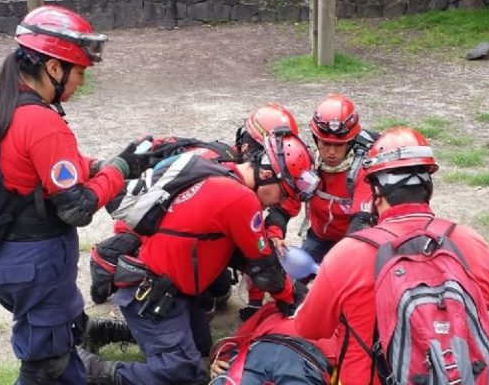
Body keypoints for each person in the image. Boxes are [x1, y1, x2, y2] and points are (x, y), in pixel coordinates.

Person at [0, 5, 149, 385]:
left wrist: (96, 165)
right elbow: (76, 207)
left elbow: (36, 163)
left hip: (10, 258)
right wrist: (118, 171)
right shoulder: (42, 121)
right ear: (54, 68)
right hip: (36, 265)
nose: (81, 81)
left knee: (63, 355)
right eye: (80, 71)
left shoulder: (5, 104)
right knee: (44, 367)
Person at [78, 130, 318, 385]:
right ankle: (88, 368)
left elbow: (248, 256)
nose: (278, 203)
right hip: (150, 293)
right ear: (267, 175)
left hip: (169, 288)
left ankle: (107, 331)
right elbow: (265, 268)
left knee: (201, 348)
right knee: (185, 375)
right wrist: (291, 298)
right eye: (282, 194)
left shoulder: (221, 173)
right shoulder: (240, 198)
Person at [294, 127, 489, 384]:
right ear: (429, 188)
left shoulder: (347, 255)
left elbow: (309, 328)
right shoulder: (470, 241)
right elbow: (487, 302)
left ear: (376, 193)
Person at [241, 93, 376, 321]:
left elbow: (361, 220)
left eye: (339, 145)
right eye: (325, 144)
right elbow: (286, 204)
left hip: (352, 240)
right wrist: (275, 234)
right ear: (315, 140)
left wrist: (339, 263)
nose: (331, 152)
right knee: (289, 284)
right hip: (319, 238)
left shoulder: (362, 171)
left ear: (350, 142)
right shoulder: (307, 164)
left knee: (347, 293)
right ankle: (257, 306)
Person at [209, 302, 337, 385]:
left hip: (305, 360)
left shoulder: (338, 319)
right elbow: (238, 338)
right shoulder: (276, 307)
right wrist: (221, 360)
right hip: (259, 352)